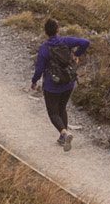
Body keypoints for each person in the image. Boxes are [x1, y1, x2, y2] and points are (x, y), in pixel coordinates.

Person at [28, 17, 91, 150]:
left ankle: (64, 133)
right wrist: (76, 54)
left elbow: (39, 69)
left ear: (46, 32)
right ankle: (63, 138)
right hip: (68, 83)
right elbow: (85, 42)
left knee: (53, 113)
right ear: (58, 30)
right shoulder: (66, 41)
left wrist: (34, 81)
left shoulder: (44, 48)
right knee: (62, 108)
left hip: (52, 85)